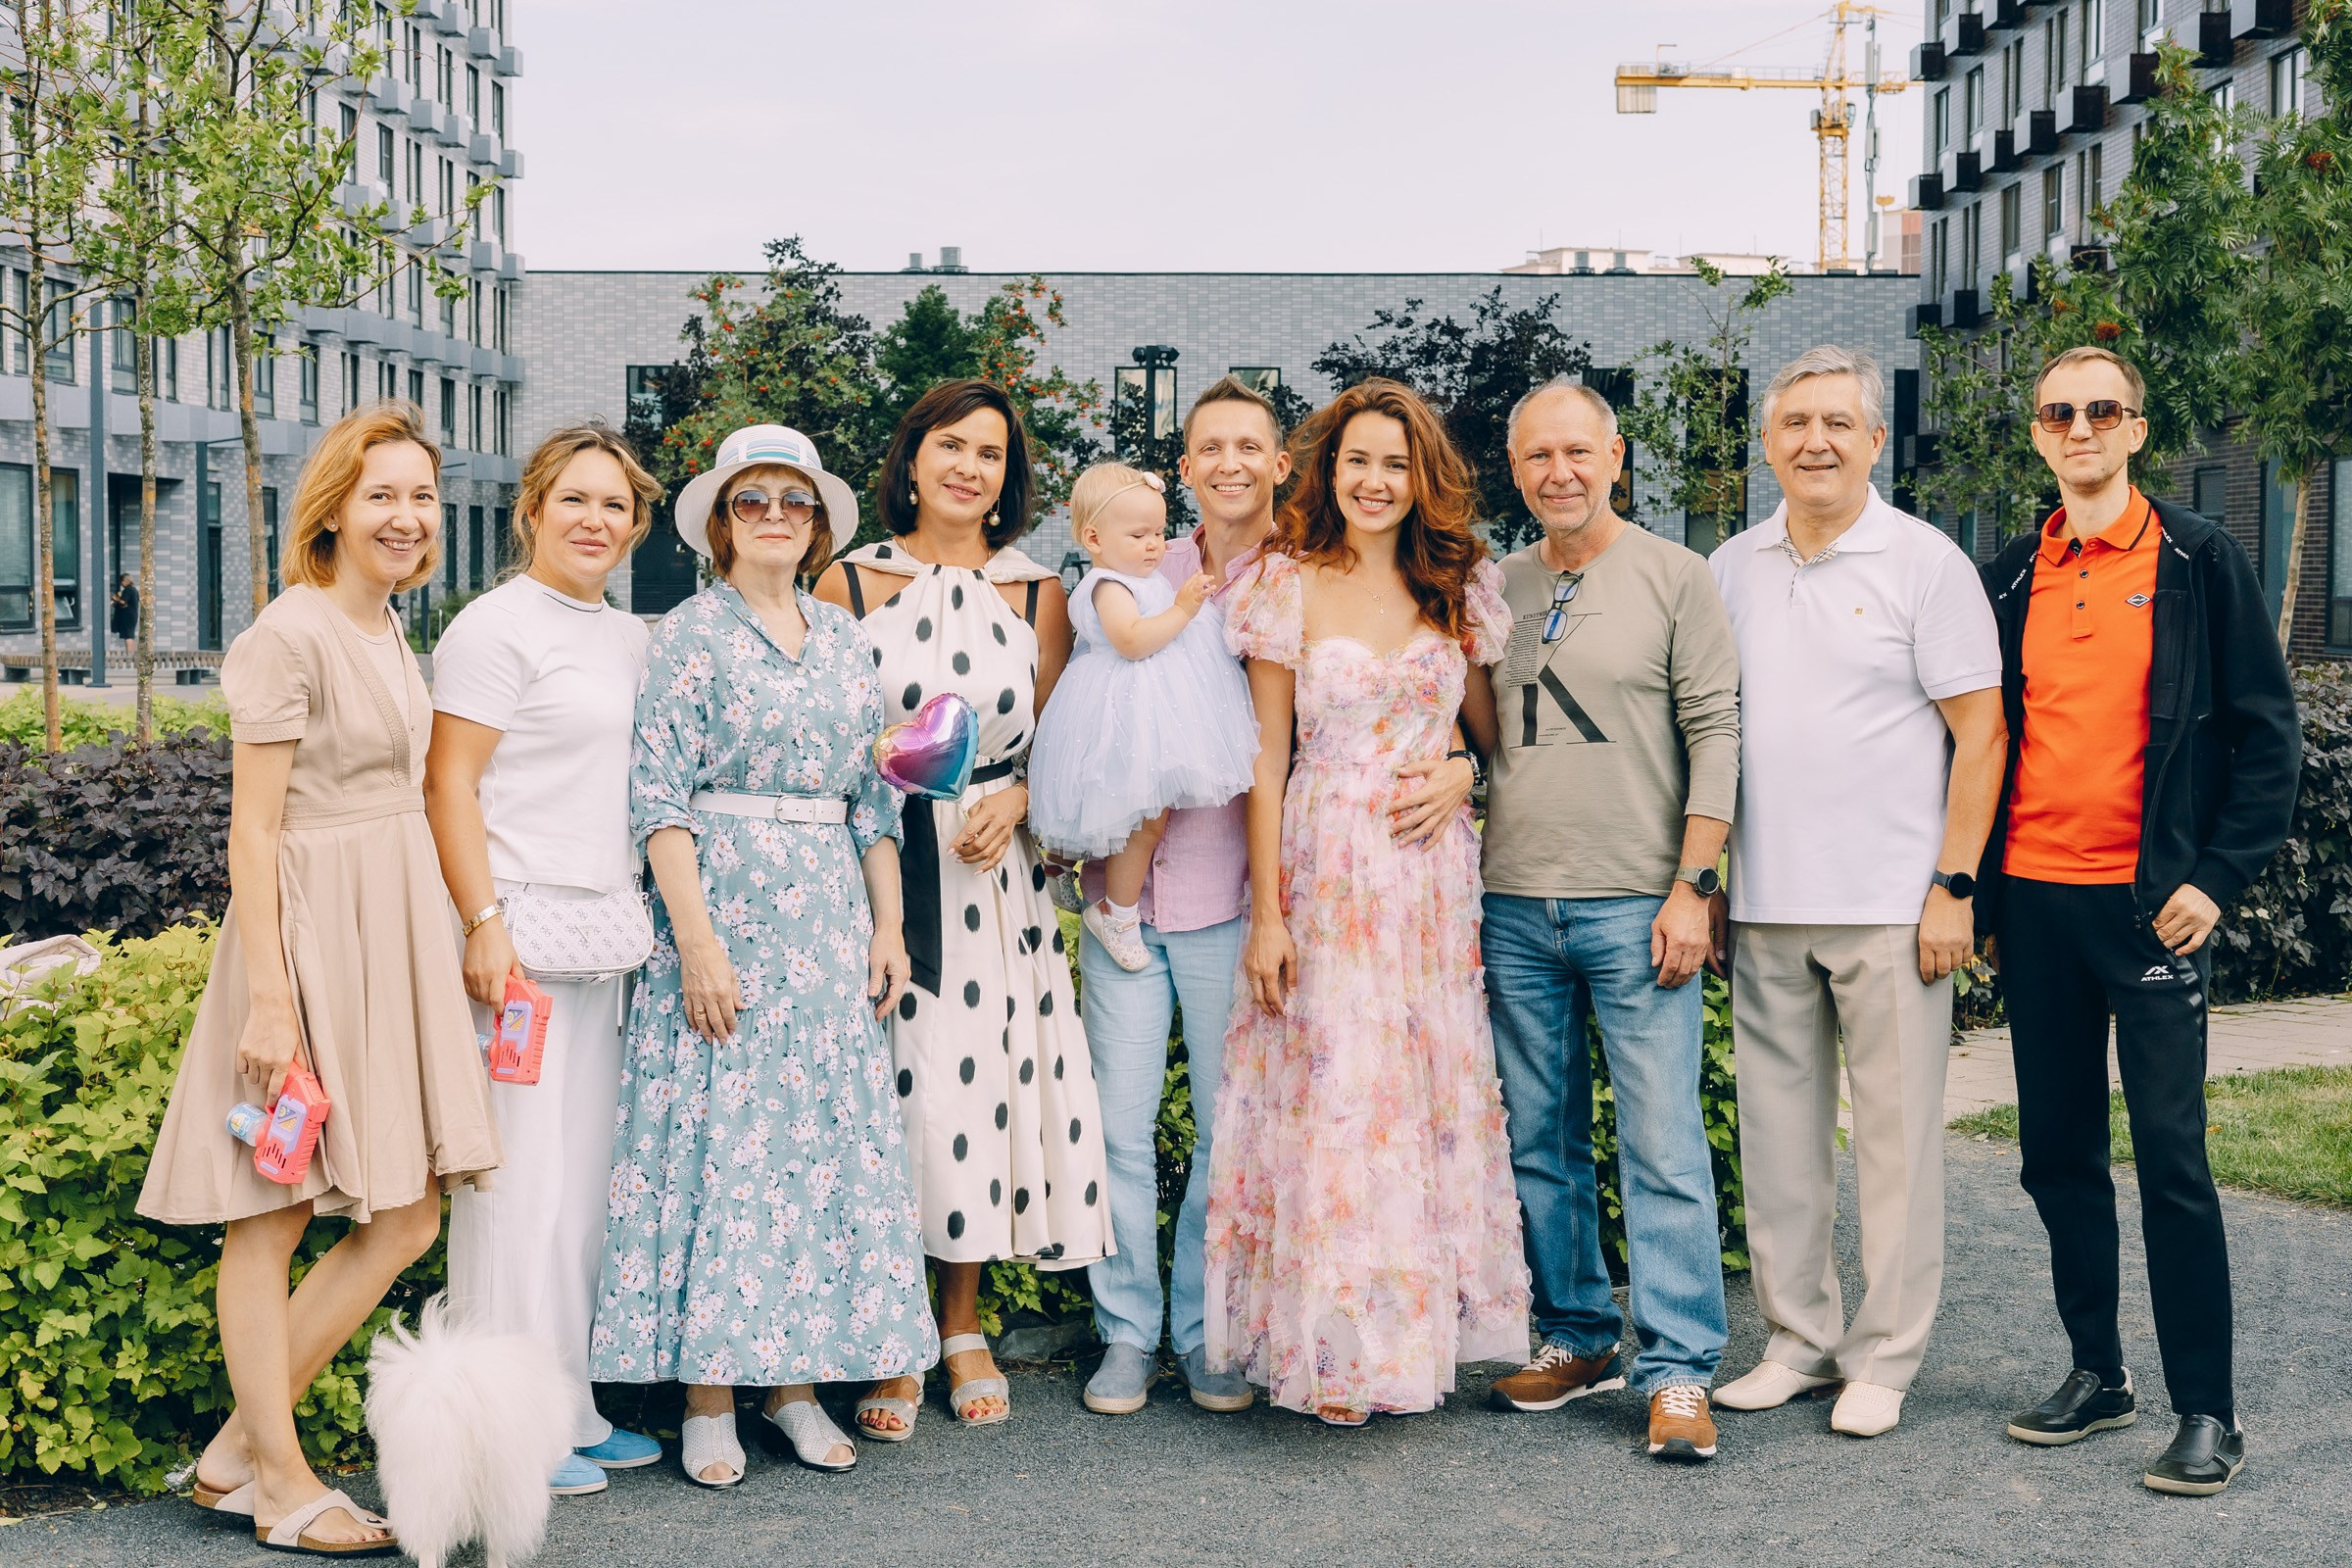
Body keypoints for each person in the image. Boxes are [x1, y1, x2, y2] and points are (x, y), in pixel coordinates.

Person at [137, 401, 499, 1555]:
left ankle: (241, 1448)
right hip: (301, 938)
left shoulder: (393, 628)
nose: (406, 516)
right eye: (382, 493)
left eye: (422, 497)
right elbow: (253, 832)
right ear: (333, 508)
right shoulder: (287, 635)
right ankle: (281, 1483)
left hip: (386, 931)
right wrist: (272, 996)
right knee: (275, 1209)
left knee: (406, 1210)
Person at [586, 424, 936, 1487]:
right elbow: (659, 798)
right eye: (752, 500)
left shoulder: (842, 634)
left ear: (819, 522)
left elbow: (874, 799)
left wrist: (888, 928)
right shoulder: (691, 632)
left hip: (827, 919)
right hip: (725, 912)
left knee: (808, 1159)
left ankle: (791, 1386)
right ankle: (708, 1397)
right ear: (721, 524)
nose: (775, 514)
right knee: (722, 1150)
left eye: (794, 499)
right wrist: (694, 942)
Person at [1982, 347, 2298, 1496]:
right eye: (2060, 412)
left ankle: (2208, 1411)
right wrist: (1974, 888)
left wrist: (2214, 876)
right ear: (2039, 434)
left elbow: (2269, 739)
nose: (2080, 427)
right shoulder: (2012, 572)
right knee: (2058, 1154)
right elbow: (1979, 742)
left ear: (2136, 429)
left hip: (2152, 910)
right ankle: (2097, 1372)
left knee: (2171, 1160)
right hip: (2035, 902)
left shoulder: (2199, 560)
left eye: (2100, 410)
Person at [1204, 376, 1529, 1426]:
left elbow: (1486, 736)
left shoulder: (1458, 587)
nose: (1376, 481)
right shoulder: (1282, 584)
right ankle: (1331, 1350)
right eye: (1358, 461)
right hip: (1326, 861)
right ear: (1327, 472)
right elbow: (1265, 753)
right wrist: (1268, 913)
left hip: (1428, 883)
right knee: (1337, 1097)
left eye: (1396, 463)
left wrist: (1464, 775)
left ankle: (1409, 1337)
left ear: (1422, 477)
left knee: (1416, 1101)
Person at [1708, 346, 2006, 1440]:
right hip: (1767, 898)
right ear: (1770, 442)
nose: (1816, 442)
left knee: (1895, 1144)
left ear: (1876, 440)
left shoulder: (1926, 562)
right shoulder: (1730, 567)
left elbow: (1980, 734)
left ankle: (1885, 1355)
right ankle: (1799, 1339)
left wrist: (1953, 886)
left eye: (1839, 423)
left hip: (1893, 903)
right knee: (1779, 1140)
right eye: (1796, 425)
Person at [815, 380, 1114, 1431]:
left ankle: (961, 1320)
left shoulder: (1039, 594)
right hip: (879, 864)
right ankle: (891, 1331)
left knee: (976, 1088)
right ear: (912, 456)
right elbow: (826, 727)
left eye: (990, 453)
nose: (968, 467)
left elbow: (1065, 738)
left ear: (1007, 477)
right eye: (951, 444)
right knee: (894, 1096)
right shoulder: (848, 579)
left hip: (994, 875)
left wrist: (1023, 797)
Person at [1479, 378, 1741, 1462]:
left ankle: (1678, 1369)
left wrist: (1696, 885)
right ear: (1517, 468)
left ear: (1617, 455)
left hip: (1639, 901)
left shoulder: (1679, 577)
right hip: (1511, 903)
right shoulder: (1494, 585)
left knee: (1663, 1140)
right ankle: (1580, 1334)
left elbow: (1719, 731)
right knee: (1539, 1141)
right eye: (1539, 455)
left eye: (1579, 451)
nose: (1560, 472)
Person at [422, 423, 666, 1497]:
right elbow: (449, 785)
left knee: (577, 1190)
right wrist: (483, 922)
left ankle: (569, 1401)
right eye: (574, 499)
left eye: (614, 505)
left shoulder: (625, 636)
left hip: (600, 942)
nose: (594, 521)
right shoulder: (492, 628)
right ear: (531, 509)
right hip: (515, 942)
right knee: (511, 1190)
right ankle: (503, 1432)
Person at [1068, 376, 1293, 1417]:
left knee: (1221, 1125)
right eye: (1212, 446)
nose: (1231, 462)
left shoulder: (1300, 572)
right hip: (1123, 895)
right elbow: (1088, 690)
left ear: (1278, 462)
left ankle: (1206, 1330)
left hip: (1227, 899)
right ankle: (1126, 1331)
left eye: (1252, 444)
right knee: (1115, 1126)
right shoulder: (1141, 558)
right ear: (1189, 462)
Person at [1027, 461, 1257, 972]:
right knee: (1142, 822)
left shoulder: (1138, 577)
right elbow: (1131, 643)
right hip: (1123, 711)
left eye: (1158, 531)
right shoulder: (1109, 585)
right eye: (1138, 534)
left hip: (1145, 712)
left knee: (1116, 811)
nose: (1155, 544)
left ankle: (1058, 864)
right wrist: (1181, 610)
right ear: (1094, 537)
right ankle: (1117, 912)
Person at [110, 572, 138, 650]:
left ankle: (129, 654)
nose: (121, 583)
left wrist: (115, 599)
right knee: (130, 635)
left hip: (128, 616)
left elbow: (123, 602)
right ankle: (131, 654)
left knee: (128, 636)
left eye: (122, 581)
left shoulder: (128, 590)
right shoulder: (134, 590)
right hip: (133, 615)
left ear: (126, 581)